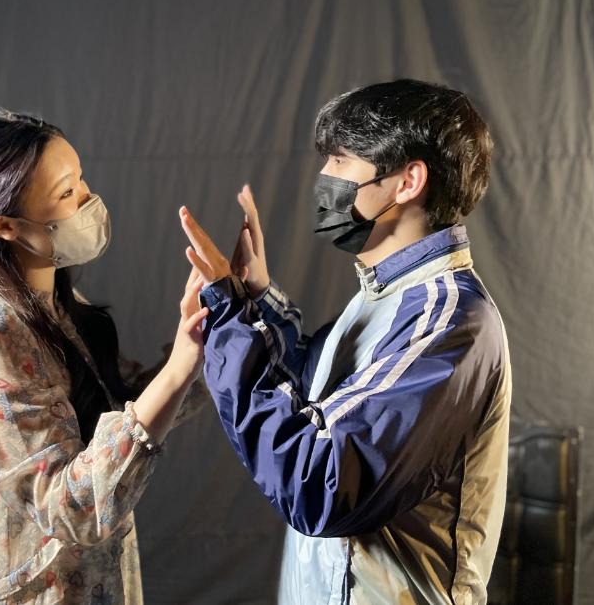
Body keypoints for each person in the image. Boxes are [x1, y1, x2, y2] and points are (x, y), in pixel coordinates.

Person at [179, 79, 512, 605]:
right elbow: (312, 404)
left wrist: (229, 320)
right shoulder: (385, 298)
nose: (324, 178)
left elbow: (320, 482)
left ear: (407, 182)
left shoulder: (449, 322)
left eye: (340, 160)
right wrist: (254, 299)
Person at [0, 110, 208, 605]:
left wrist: (211, 336)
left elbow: (127, 407)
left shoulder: (57, 304)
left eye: (81, 179)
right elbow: (70, 508)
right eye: (66, 193)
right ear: (3, 225)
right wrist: (180, 366)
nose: (88, 199)